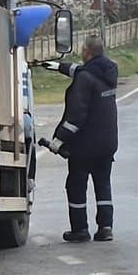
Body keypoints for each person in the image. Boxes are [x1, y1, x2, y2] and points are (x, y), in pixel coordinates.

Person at [41, 35, 119, 243]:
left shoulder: (85, 79)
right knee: (103, 184)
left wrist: (58, 140)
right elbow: (81, 70)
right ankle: (106, 228)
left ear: (87, 51)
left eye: (83, 49)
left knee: (76, 185)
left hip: (85, 145)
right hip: (107, 143)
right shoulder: (108, 72)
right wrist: (58, 67)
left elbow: (76, 116)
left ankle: (80, 230)